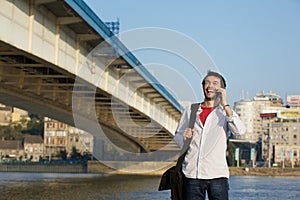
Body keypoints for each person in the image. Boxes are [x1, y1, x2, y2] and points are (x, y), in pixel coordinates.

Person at [174, 71, 246, 200]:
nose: (210, 86)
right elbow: (178, 136)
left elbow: (240, 131)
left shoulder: (225, 112)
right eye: (207, 83)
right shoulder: (191, 110)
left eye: (214, 83)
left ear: (221, 89)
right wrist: (183, 138)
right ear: (203, 87)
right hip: (192, 174)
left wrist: (225, 104)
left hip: (217, 175)